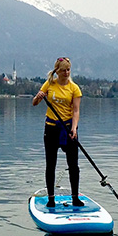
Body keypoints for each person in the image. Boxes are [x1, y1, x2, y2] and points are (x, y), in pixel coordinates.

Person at [32, 56, 83, 207]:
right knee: (51, 164)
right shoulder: (49, 84)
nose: (66, 73)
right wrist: (39, 97)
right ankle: (51, 199)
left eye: (68, 70)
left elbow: (76, 111)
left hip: (68, 129)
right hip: (51, 128)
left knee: (73, 165)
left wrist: (74, 128)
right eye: (63, 70)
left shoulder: (74, 88)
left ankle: (75, 197)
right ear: (57, 71)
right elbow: (34, 103)